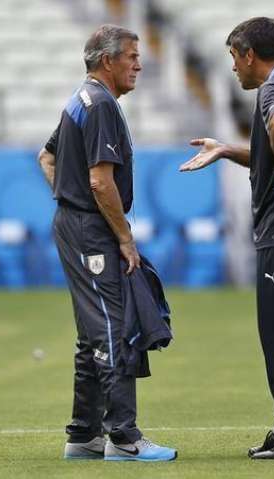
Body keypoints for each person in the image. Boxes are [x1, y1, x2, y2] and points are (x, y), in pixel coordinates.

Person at [180, 16, 274, 460]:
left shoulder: (272, 91)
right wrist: (227, 149)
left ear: (250, 55)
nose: (233, 69)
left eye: (233, 58)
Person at [36, 24, 176, 462]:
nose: (139, 63)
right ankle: (124, 438)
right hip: (92, 229)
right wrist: (123, 237)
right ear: (105, 59)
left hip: (77, 223)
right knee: (114, 328)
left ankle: (84, 436)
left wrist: (68, 198)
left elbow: (48, 157)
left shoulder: (80, 100)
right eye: (132, 55)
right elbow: (100, 181)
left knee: (93, 332)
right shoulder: (100, 106)